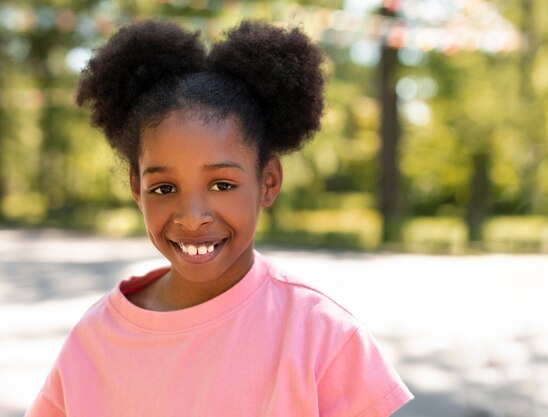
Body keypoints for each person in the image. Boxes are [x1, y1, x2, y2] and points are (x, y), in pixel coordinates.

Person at [25, 19, 413, 417]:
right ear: (136, 188)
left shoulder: (321, 335)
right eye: (163, 188)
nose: (192, 218)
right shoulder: (95, 340)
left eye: (222, 185)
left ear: (268, 181)